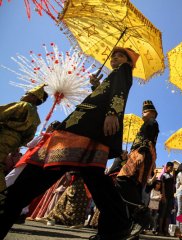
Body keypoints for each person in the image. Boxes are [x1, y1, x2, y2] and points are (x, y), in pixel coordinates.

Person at [0, 47, 139, 240]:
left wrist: (113, 114)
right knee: (92, 176)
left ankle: (7, 208)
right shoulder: (112, 75)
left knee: (44, 171)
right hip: (81, 127)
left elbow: (119, 93)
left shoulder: (123, 71)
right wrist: (95, 86)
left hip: (83, 130)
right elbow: (102, 97)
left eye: (121, 56)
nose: (115, 58)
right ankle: (118, 225)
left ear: (129, 62)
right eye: (114, 55)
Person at [116, 100, 159, 237]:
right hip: (139, 152)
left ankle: (142, 213)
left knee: (124, 180)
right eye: (143, 111)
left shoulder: (151, 122)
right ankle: (132, 225)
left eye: (145, 111)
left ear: (152, 113)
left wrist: (142, 150)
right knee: (133, 185)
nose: (143, 113)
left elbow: (148, 138)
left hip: (142, 152)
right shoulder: (146, 124)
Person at [0, 84, 48, 191]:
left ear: (34, 97)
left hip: (3, 135)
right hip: (13, 143)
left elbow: (2, 114)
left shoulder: (23, 105)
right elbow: (28, 138)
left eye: (28, 93)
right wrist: (15, 143)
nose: (24, 95)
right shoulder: (36, 118)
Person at [158, 161, 175, 236]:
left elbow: (173, 187)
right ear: (167, 167)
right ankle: (160, 230)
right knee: (162, 213)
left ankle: (166, 230)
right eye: (170, 167)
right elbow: (163, 186)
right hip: (165, 197)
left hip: (171, 197)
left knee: (168, 214)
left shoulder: (172, 176)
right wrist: (163, 196)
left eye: (172, 167)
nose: (171, 169)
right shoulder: (163, 175)